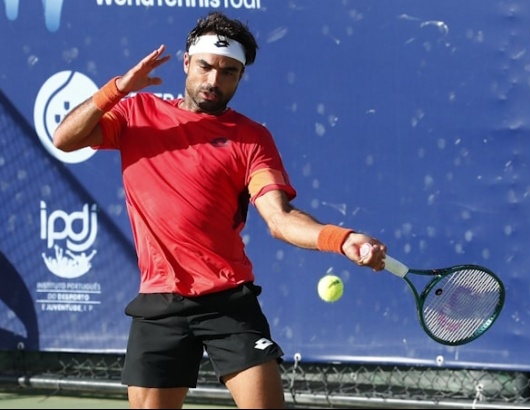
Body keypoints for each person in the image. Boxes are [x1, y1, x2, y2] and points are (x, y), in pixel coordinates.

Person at [53, 11, 387, 409]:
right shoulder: (135, 114)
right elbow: (64, 138)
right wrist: (119, 89)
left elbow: (280, 220)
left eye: (229, 72)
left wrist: (342, 239)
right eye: (207, 66)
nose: (214, 80)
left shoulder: (251, 138)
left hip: (229, 301)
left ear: (240, 77)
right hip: (160, 301)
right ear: (187, 63)